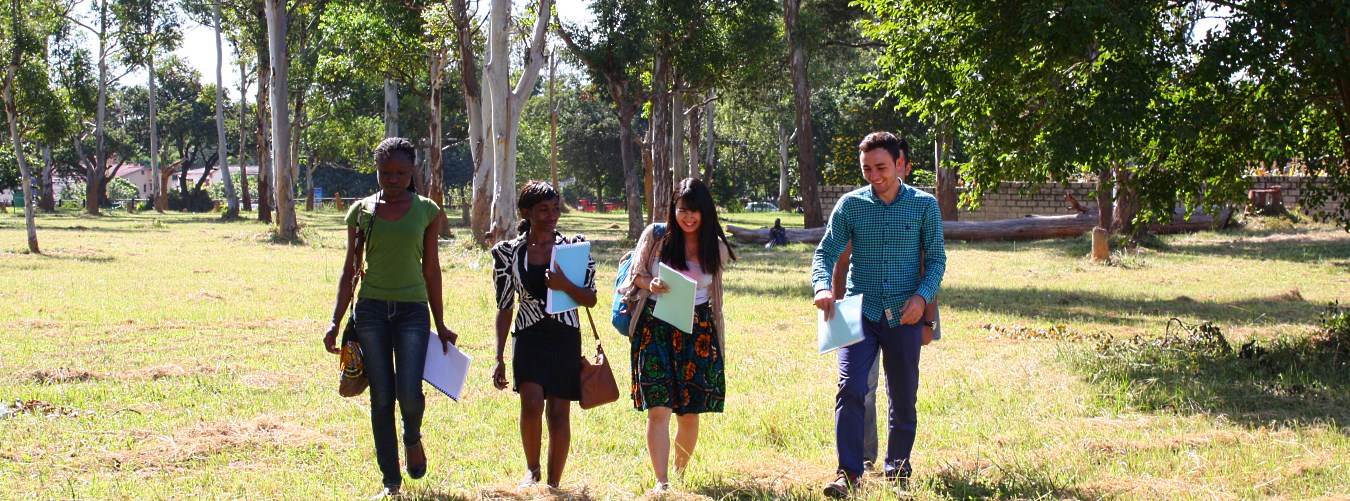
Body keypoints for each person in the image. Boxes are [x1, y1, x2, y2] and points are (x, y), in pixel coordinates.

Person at [323, 137, 459, 499]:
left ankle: (412, 437)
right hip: (371, 312)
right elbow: (351, 268)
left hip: (413, 311)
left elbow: (432, 270)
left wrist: (441, 323)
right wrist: (335, 321)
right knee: (381, 396)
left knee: (409, 394)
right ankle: (390, 481)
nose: (393, 179)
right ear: (377, 171)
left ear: (412, 170)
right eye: (386, 172)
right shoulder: (362, 211)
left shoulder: (426, 210)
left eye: (400, 172)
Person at [811, 131, 945, 497]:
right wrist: (823, 287)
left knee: (903, 395)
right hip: (859, 311)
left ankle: (897, 470)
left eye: (881, 167)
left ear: (899, 164)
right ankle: (849, 473)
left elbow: (935, 260)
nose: (874, 175)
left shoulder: (924, 205)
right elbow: (825, 253)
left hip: (905, 313)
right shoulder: (850, 206)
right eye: (867, 169)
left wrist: (922, 298)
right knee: (851, 387)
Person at [618, 177, 736, 493]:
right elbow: (634, 277)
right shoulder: (656, 236)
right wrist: (649, 284)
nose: (687, 217)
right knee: (659, 407)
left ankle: (680, 476)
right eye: (682, 210)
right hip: (655, 327)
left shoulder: (717, 247)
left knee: (689, 411)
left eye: (694, 212)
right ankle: (662, 482)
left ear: (705, 213)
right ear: (674, 209)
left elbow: (712, 294)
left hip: (697, 330)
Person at [489, 181, 598, 488]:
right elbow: (505, 305)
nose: (552, 216)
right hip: (528, 335)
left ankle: (554, 484)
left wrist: (565, 285)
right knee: (532, 403)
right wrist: (498, 357)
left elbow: (589, 299)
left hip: (564, 336)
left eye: (555, 209)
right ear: (526, 212)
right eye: (543, 210)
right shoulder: (508, 253)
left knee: (560, 413)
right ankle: (532, 471)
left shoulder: (573, 248)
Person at [832, 243, 940, 470]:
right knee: (860, 385)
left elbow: (929, 263)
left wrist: (929, 321)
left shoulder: (921, 207)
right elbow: (840, 263)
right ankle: (860, 458)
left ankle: (897, 465)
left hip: (908, 308)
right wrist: (839, 319)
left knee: (902, 390)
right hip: (861, 307)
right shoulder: (855, 208)